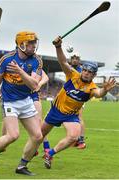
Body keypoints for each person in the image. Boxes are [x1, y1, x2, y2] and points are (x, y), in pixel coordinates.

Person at [39, 36, 116, 169]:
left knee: (74, 136)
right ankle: (34, 152)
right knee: (39, 135)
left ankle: (50, 153)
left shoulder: (91, 87)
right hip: (56, 110)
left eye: (90, 72)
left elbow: (98, 93)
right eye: (85, 70)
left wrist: (104, 89)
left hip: (70, 115)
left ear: (93, 75)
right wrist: (58, 47)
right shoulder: (73, 75)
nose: (86, 73)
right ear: (82, 69)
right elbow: (63, 62)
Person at [0, 31, 44, 176]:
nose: (34, 46)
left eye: (34, 43)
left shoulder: (37, 60)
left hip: (26, 100)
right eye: (30, 43)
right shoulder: (6, 59)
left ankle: (22, 166)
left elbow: (34, 85)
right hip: (9, 101)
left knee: (37, 136)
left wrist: (19, 71)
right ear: (21, 44)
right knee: (13, 135)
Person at [69, 52, 86, 149]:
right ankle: (75, 138)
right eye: (73, 58)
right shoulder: (70, 68)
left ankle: (81, 139)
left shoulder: (82, 71)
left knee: (79, 117)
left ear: (79, 60)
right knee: (71, 119)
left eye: (76, 58)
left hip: (79, 97)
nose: (75, 60)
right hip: (70, 97)